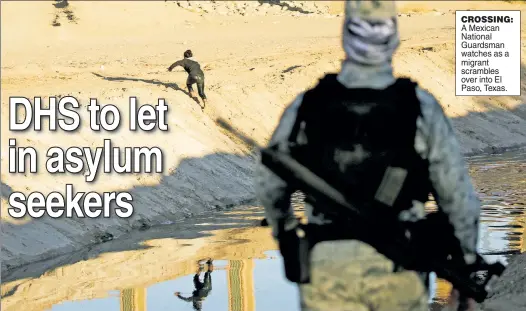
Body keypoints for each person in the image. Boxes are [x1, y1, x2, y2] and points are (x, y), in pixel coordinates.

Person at [254, 1, 481, 311]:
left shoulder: (307, 105)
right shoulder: (420, 108)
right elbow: (456, 197)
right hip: (399, 265)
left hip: (326, 263)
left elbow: (269, 185)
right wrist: (464, 265)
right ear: (395, 38)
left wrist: (288, 236)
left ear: (345, 35)